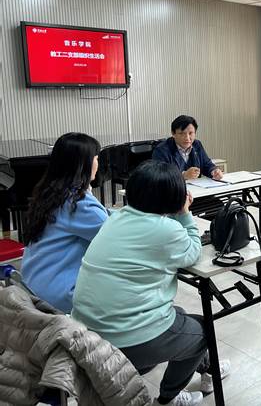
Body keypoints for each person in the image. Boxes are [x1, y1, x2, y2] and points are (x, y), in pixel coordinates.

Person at [72, 161, 228, 406]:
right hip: (124, 340)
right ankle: (167, 399)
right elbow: (193, 252)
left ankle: (208, 369)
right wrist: (185, 214)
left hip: (87, 333)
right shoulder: (166, 229)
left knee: (180, 315)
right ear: (173, 197)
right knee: (203, 331)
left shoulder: (116, 217)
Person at [21, 133, 108, 313]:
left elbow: (100, 217)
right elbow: (115, 235)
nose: (98, 163)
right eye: (96, 158)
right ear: (83, 164)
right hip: (60, 293)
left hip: (34, 281)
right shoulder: (78, 203)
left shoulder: (52, 192)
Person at [153, 115, 223, 181]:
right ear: (173, 134)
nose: (187, 138)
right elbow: (159, 177)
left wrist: (213, 171)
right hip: (175, 189)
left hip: (197, 187)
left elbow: (206, 164)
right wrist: (183, 175)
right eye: (182, 133)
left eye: (190, 133)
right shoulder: (162, 150)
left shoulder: (196, 144)